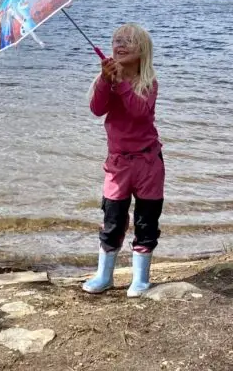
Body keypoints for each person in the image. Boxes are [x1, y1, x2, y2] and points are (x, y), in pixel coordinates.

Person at [82, 23, 163, 297]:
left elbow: (139, 112)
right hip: (117, 165)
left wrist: (122, 83)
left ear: (143, 51)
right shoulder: (105, 79)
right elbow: (97, 109)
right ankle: (104, 275)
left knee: (146, 220)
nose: (120, 44)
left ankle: (140, 279)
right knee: (113, 219)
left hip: (149, 164)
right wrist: (106, 81)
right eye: (116, 40)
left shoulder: (148, 82)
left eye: (128, 40)